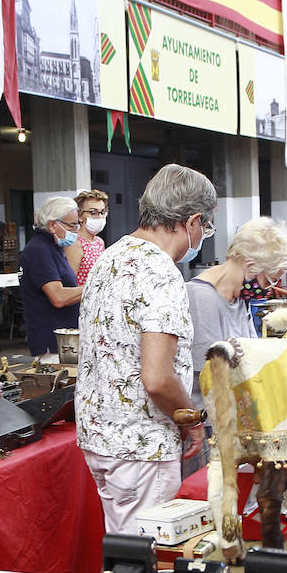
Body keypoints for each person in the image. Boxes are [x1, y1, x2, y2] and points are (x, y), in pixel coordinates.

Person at [77, 164, 215, 533]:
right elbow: (157, 378)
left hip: (102, 436)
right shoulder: (160, 271)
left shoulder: (110, 257)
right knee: (146, 556)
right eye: (206, 227)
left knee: (124, 545)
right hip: (141, 444)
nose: (203, 235)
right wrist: (192, 420)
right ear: (192, 221)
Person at [185, 216, 287, 408]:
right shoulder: (200, 298)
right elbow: (211, 372)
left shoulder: (239, 300)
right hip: (210, 419)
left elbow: (252, 354)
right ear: (249, 266)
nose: (270, 288)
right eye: (270, 280)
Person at [18, 196, 83, 364]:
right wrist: (96, 286)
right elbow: (58, 297)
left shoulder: (54, 248)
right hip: (52, 344)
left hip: (66, 342)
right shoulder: (39, 250)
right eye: (72, 225)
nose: (76, 231)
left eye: (77, 225)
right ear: (53, 225)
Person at [67, 189, 110, 285]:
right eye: (93, 212)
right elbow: (70, 281)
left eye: (102, 212)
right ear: (79, 215)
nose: (99, 217)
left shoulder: (99, 242)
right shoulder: (74, 243)